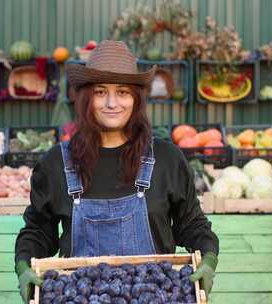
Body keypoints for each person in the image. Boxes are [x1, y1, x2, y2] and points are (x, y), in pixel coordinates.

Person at [15, 40, 219, 303]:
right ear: (87, 98)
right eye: (100, 92)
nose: (112, 103)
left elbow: (191, 225)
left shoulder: (167, 160)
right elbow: (38, 231)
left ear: (136, 98)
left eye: (122, 92)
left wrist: (208, 260)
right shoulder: (56, 163)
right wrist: (23, 268)